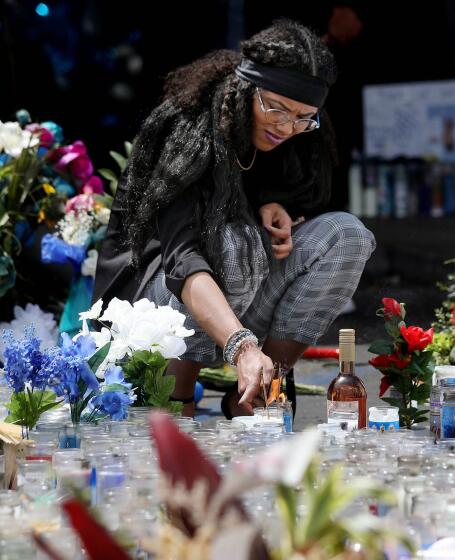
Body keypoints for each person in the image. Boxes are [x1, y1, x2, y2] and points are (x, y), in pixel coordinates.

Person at [93, 20, 375, 418]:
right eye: (275, 108)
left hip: (230, 306)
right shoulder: (188, 124)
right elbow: (181, 257)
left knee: (347, 235)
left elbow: (276, 187)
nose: (286, 126)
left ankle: (257, 393)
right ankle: (177, 397)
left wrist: (273, 205)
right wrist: (242, 347)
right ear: (247, 88)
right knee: (234, 242)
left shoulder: (293, 133)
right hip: (153, 313)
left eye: (303, 117)